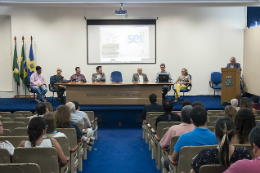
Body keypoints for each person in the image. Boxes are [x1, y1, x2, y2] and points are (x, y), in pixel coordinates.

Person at [164, 106, 218, 172]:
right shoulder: (216, 137)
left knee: (167, 161)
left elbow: (173, 158)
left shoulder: (184, 137)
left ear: (191, 120)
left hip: (186, 170)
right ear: (207, 118)